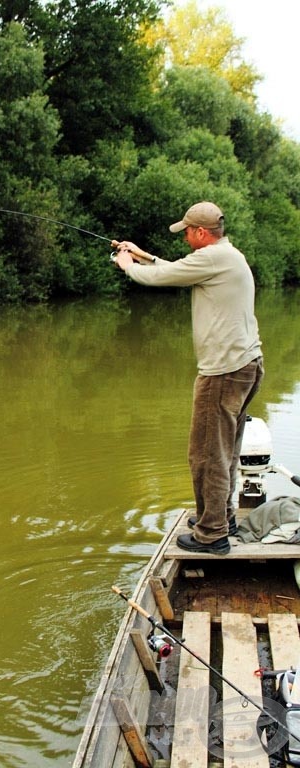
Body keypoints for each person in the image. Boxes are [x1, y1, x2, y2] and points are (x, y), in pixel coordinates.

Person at [112, 201, 264, 555]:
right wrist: (140, 254)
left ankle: (211, 535)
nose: (184, 238)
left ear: (200, 233)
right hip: (245, 365)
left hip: (224, 372)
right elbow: (176, 269)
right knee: (224, 450)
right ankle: (221, 517)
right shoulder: (226, 255)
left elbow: (161, 277)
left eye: (186, 232)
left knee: (207, 453)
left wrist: (127, 266)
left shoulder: (211, 258)